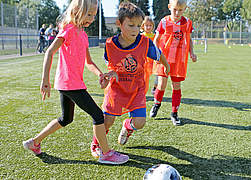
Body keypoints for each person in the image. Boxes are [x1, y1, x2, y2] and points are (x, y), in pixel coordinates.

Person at [22, 0, 129, 165]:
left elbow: (89, 62)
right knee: (97, 115)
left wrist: (101, 74)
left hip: (69, 85)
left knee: (66, 119)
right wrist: (45, 79)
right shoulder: (69, 30)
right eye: (89, 14)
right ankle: (106, 153)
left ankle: (34, 142)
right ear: (77, 11)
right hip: (70, 84)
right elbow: (49, 52)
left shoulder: (83, 35)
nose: (92, 19)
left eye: (94, 15)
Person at [90, 2, 169, 157]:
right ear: (119, 23)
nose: (136, 29)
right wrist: (108, 76)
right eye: (131, 25)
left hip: (136, 88)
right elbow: (109, 63)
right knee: (107, 121)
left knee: (140, 122)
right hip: (117, 88)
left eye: (138, 25)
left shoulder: (145, 43)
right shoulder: (110, 44)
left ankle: (127, 126)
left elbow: (159, 55)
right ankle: (96, 144)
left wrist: (166, 66)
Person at [149, 0, 197, 126]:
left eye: (180, 10)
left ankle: (174, 113)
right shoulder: (164, 22)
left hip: (179, 60)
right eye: (175, 9)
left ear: (185, 9)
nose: (177, 12)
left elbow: (189, 39)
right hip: (164, 59)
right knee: (161, 84)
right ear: (170, 7)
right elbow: (156, 39)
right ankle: (156, 104)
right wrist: (156, 54)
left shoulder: (187, 23)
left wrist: (192, 52)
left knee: (176, 86)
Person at [141, 16, 157, 95]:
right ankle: (142, 93)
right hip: (144, 62)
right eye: (146, 25)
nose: (148, 27)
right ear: (143, 26)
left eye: (150, 25)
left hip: (153, 61)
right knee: (144, 79)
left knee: (158, 76)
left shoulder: (155, 37)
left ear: (153, 26)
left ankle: (155, 88)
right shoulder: (140, 36)